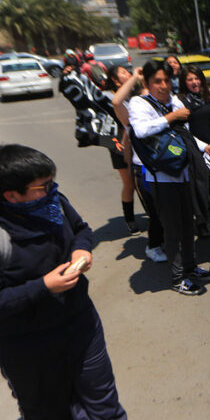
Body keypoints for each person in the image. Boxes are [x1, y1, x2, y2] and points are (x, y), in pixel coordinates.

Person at [0, 144, 126, 419]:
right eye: (43, 185)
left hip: (81, 325)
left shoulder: (52, 203)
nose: (52, 189)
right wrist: (43, 286)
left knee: (106, 408)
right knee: (48, 412)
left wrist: (81, 249)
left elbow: (81, 229)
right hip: (28, 347)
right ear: (11, 196)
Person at [128, 60, 210, 295]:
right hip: (162, 179)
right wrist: (172, 117)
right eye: (157, 81)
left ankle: (190, 267)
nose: (163, 85)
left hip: (184, 172)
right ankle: (178, 277)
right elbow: (140, 131)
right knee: (172, 229)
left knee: (188, 225)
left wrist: (204, 147)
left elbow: (184, 136)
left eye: (167, 80)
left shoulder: (173, 102)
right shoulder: (140, 103)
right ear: (147, 83)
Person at [111, 68, 167, 263]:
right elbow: (117, 102)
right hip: (142, 170)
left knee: (168, 210)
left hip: (165, 167)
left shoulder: (164, 110)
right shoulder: (131, 118)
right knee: (155, 213)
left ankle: (166, 241)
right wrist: (135, 76)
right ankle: (153, 246)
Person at [104, 65, 140, 234]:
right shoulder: (110, 96)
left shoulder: (136, 92)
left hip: (139, 142)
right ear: (114, 79)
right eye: (123, 72)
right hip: (120, 145)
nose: (128, 74)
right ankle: (130, 218)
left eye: (128, 71)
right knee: (129, 183)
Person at [177, 65, 210, 143]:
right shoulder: (179, 100)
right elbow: (183, 129)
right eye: (190, 80)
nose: (194, 82)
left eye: (197, 78)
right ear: (184, 82)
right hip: (193, 145)